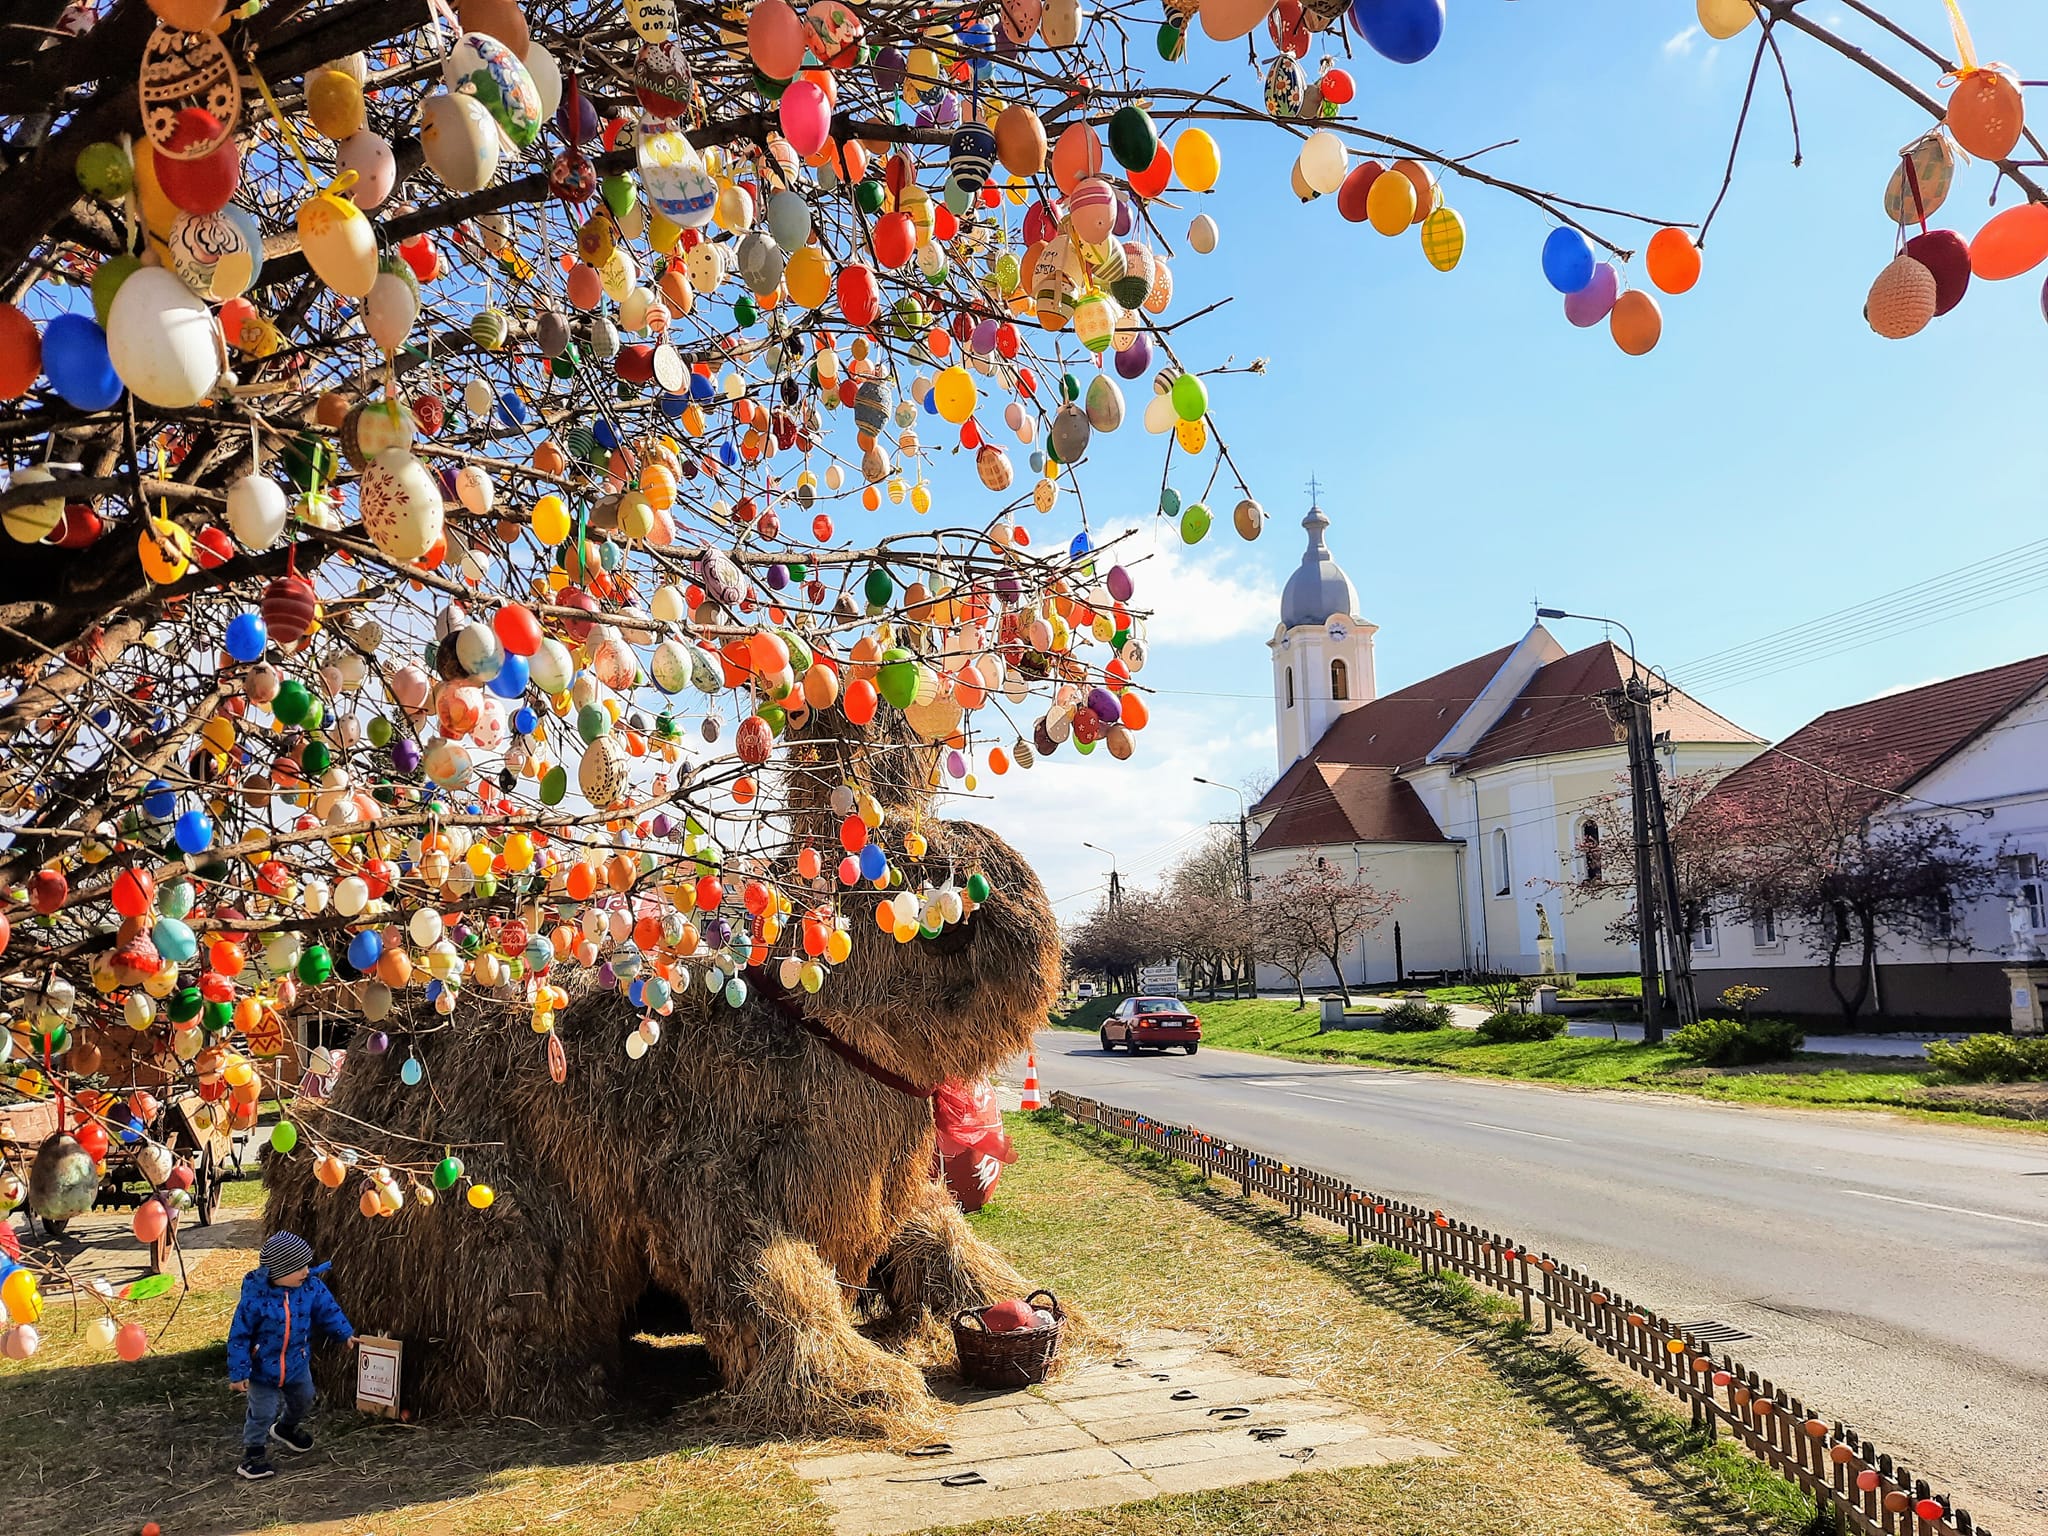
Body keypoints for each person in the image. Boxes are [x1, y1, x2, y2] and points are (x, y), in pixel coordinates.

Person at [225, 1231, 355, 1481]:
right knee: (262, 1411)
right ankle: (253, 1456)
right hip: (262, 1369)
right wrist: (239, 1372)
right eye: (298, 1268)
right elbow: (239, 1336)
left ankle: (286, 1428)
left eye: (306, 1264)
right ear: (278, 1272)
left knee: (305, 1398)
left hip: (297, 1363)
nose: (306, 1271)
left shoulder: (310, 1288)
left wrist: (344, 1333)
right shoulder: (255, 1299)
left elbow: (328, 1310)